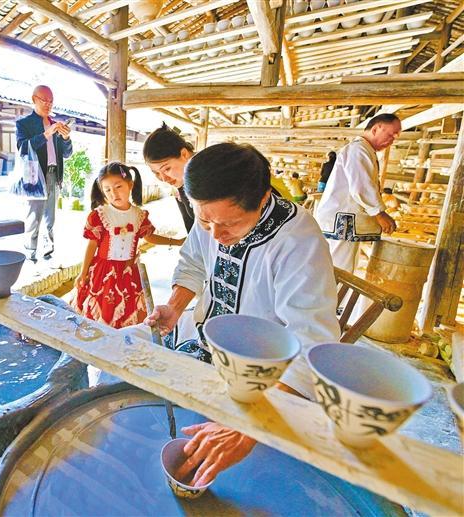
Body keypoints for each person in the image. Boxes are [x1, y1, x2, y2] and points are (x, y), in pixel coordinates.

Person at [143, 142, 340, 487]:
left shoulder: (299, 241)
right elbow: (193, 262)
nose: (216, 236)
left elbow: (314, 343)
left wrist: (248, 425)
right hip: (207, 346)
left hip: (267, 377)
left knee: (258, 476)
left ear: (262, 200)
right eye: (204, 221)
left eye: (229, 225)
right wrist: (174, 306)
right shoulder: (213, 216)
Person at [72, 163, 184, 329]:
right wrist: (83, 273)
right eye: (107, 190)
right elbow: (92, 245)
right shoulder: (100, 215)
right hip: (103, 273)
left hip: (129, 272)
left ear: (130, 184)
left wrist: (175, 242)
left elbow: (149, 236)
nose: (114, 193)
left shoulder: (139, 215)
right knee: (104, 311)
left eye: (118, 187)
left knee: (129, 310)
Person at [315, 114, 400, 273]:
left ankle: (331, 290)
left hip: (345, 222)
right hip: (344, 222)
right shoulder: (358, 149)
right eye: (391, 134)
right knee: (339, 271)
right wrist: (380, 214)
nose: (392, 140)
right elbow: (361, 186)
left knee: (342, 270)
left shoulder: (364, 149)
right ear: (375, 129)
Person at [15, 86, 72, 261]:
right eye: (44, 100)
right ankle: (30, 252)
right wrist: (46, 134)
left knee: (50, 217)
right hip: (34, 176)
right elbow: (23, 148)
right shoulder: (23, 123)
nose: (48, 104)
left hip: (54, 174)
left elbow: (67, 154)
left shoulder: (56, 124)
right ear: (34, 99)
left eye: (51, 101)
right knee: (34, 216)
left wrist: (66, 138)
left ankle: (48, 251)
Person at [143, 123, 195, 232]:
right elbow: (192, 230)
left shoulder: (210, 177)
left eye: (167, 169)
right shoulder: (182, 182)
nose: (164, 179)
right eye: (156, 173)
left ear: (184, 154)